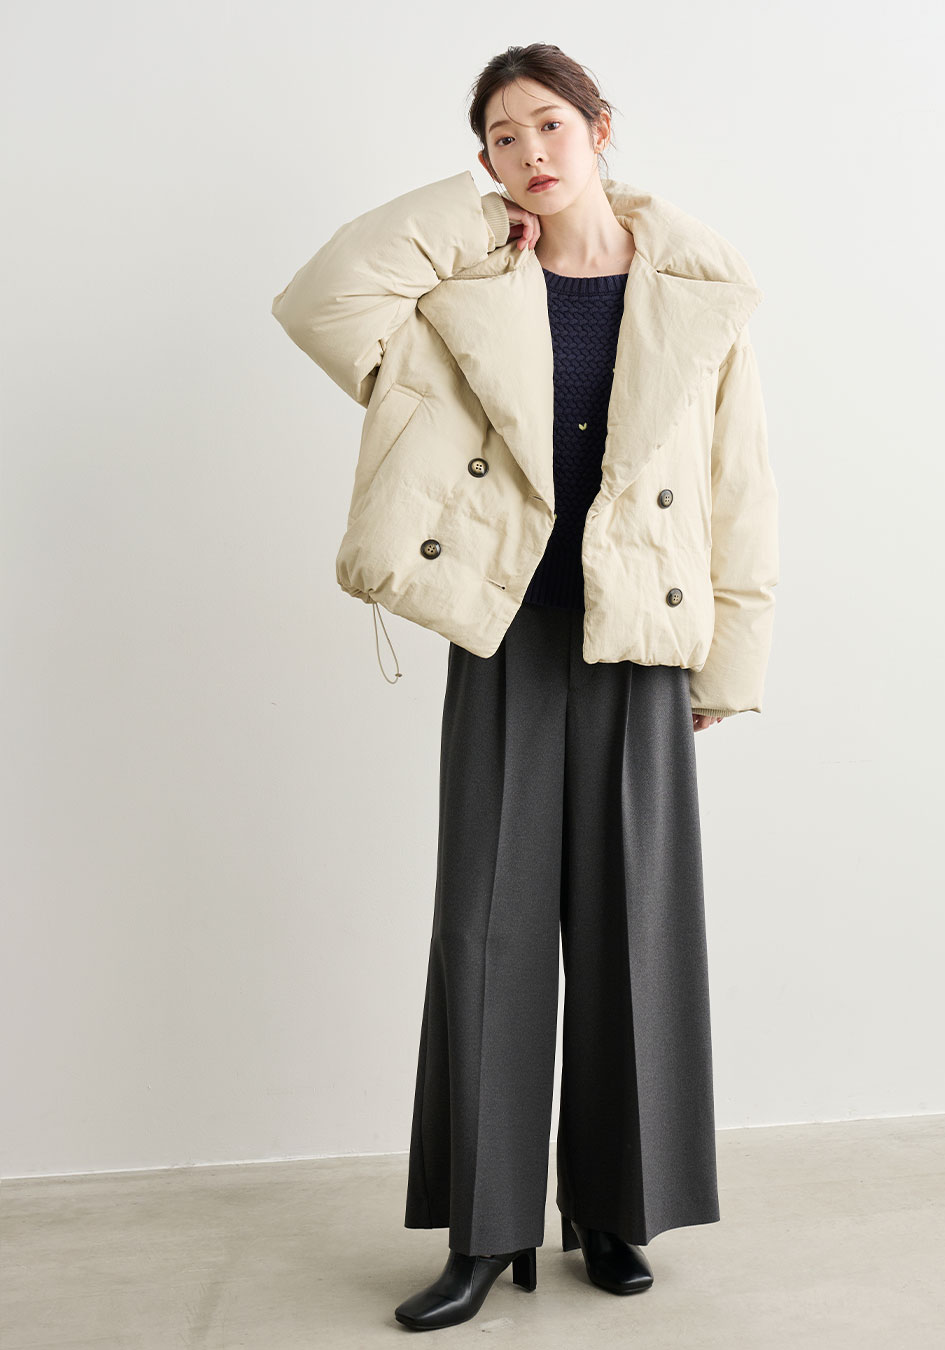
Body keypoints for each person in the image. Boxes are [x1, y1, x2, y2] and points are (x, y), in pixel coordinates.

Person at [271, 41, 779, 1335]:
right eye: (502, 136)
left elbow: (737, 485)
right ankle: (485, 1232)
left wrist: (729, 656)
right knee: (487, 934)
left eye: (549, 124)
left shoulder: (697, 289)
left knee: (635, 932)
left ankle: (613, 1210)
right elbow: (321, 300)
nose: (529, 151)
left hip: (640, 641)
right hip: (504, 635)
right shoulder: (462, 291)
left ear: (602, 127)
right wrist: (466, 213)